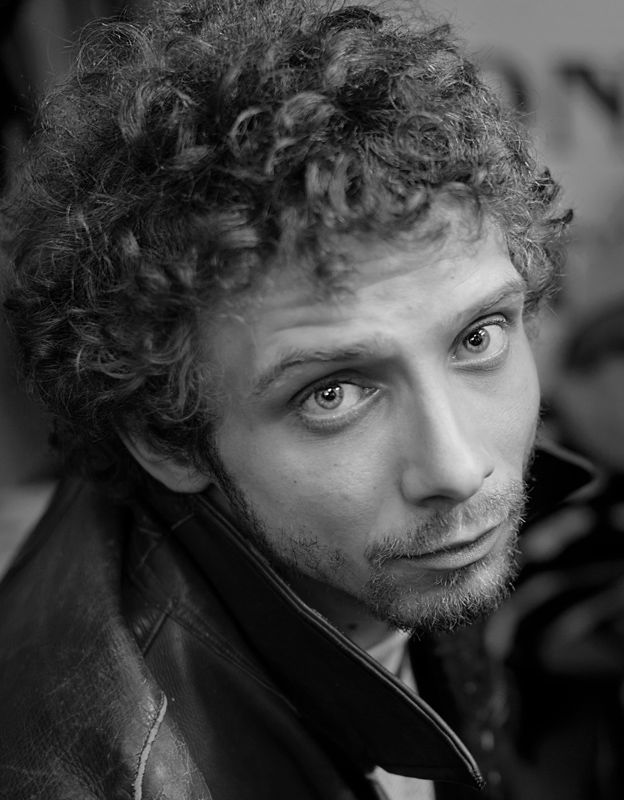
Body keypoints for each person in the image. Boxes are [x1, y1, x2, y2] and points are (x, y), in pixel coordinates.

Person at [0, 0, 589, 797]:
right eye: (333, 394)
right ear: (167, 441)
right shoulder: (116, 773)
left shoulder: (388, 539)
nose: (458, 470)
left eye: (477, 338)